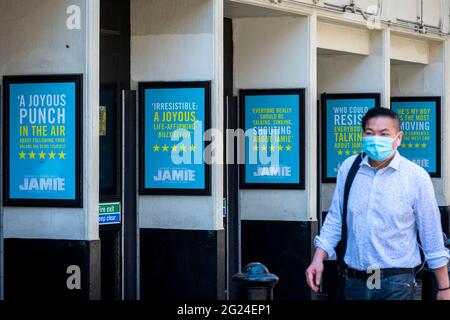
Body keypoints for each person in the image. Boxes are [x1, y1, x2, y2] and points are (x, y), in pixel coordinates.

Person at [306, 107, 450, 300]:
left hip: (396, 282)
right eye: (369, 133)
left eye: (384, 134)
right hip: (354, 281)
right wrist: (318, 259)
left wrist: (444, 287)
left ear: (398, 138)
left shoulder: (415, 177)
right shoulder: (349, 168)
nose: (376, 139)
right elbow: (335, 219)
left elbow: (430, 233)